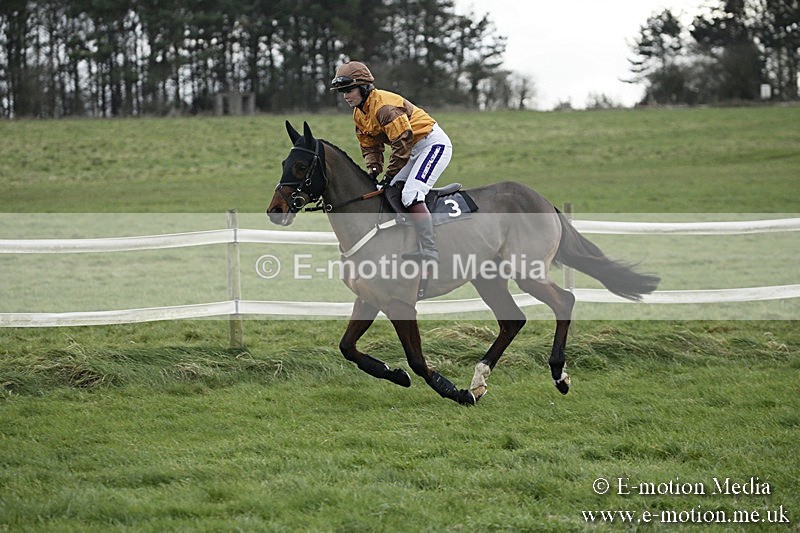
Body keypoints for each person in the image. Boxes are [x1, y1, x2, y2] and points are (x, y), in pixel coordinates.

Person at [329, 60, 452, 263]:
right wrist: (373, 169)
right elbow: (369, 145)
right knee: (386, 190)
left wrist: (389, 175)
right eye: (342, 91)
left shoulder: (385, 108)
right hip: (412, 150)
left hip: (432, 145)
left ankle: (430, 251)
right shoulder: (359, 113)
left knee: (412, 194)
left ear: (364, 87)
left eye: (349, 90)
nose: (345, 96)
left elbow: (401, 145)